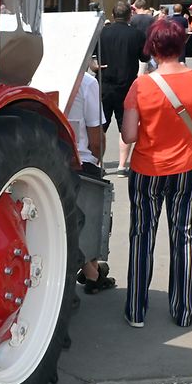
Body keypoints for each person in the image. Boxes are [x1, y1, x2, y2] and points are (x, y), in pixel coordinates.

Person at [121, 18, 192, 328]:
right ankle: (184, 310)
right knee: (186, 236)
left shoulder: (141, 85)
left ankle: (136, 310)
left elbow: (128, 135)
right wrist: (185, 134)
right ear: (181, 45)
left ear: (152, 47)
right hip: (187, 167)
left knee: (142, 236)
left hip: (147, 168)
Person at [67, 63, 115, 293]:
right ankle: (92, 273)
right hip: (81, 159)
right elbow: (95, 135)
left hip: (50, 157)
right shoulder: (86, 82)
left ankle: (92, 270)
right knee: (90, 217)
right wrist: (97, 157)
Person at [96, 1, 147, 174]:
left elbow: (91, 55)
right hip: (127, 86)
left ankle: (98, 165)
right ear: (129, 16)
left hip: (104, 84)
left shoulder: (102, 33)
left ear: (113, 15)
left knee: (100, 125)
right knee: (124, 126)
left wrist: (95, 65)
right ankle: (121, 166)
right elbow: (145, 57)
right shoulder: (137, 34)